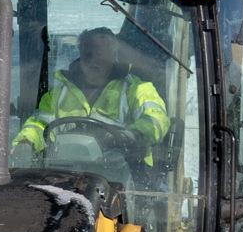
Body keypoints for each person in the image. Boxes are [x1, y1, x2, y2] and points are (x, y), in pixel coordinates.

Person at [16, 22, 176, 158]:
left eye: (101, 56)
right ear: (80, 55)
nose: (94, 62)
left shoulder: (137, 89)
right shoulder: (58, 93)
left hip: (127, 170)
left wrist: (134, 135)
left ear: (114, 56)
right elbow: (39, 124)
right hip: (65, 170)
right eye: (88, 55)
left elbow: (156, 120)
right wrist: (26, 142)